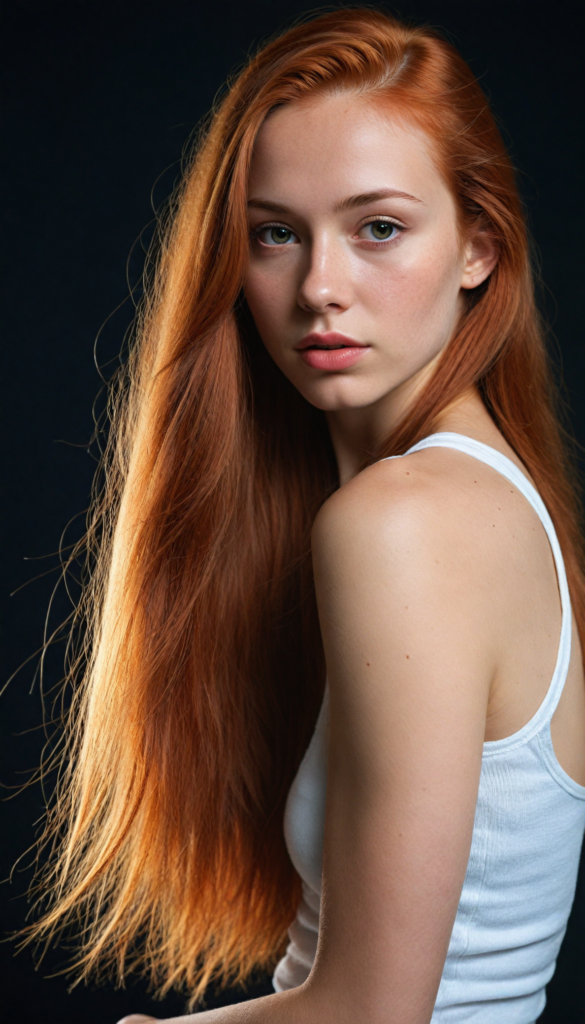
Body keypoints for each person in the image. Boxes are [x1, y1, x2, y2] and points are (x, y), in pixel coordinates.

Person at [24, 9, 585, 1024]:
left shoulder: (407, 521)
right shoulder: (485, 500)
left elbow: (375, 1009)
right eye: (276, 233)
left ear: (479, 249)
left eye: (379, 228)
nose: (320, 288)